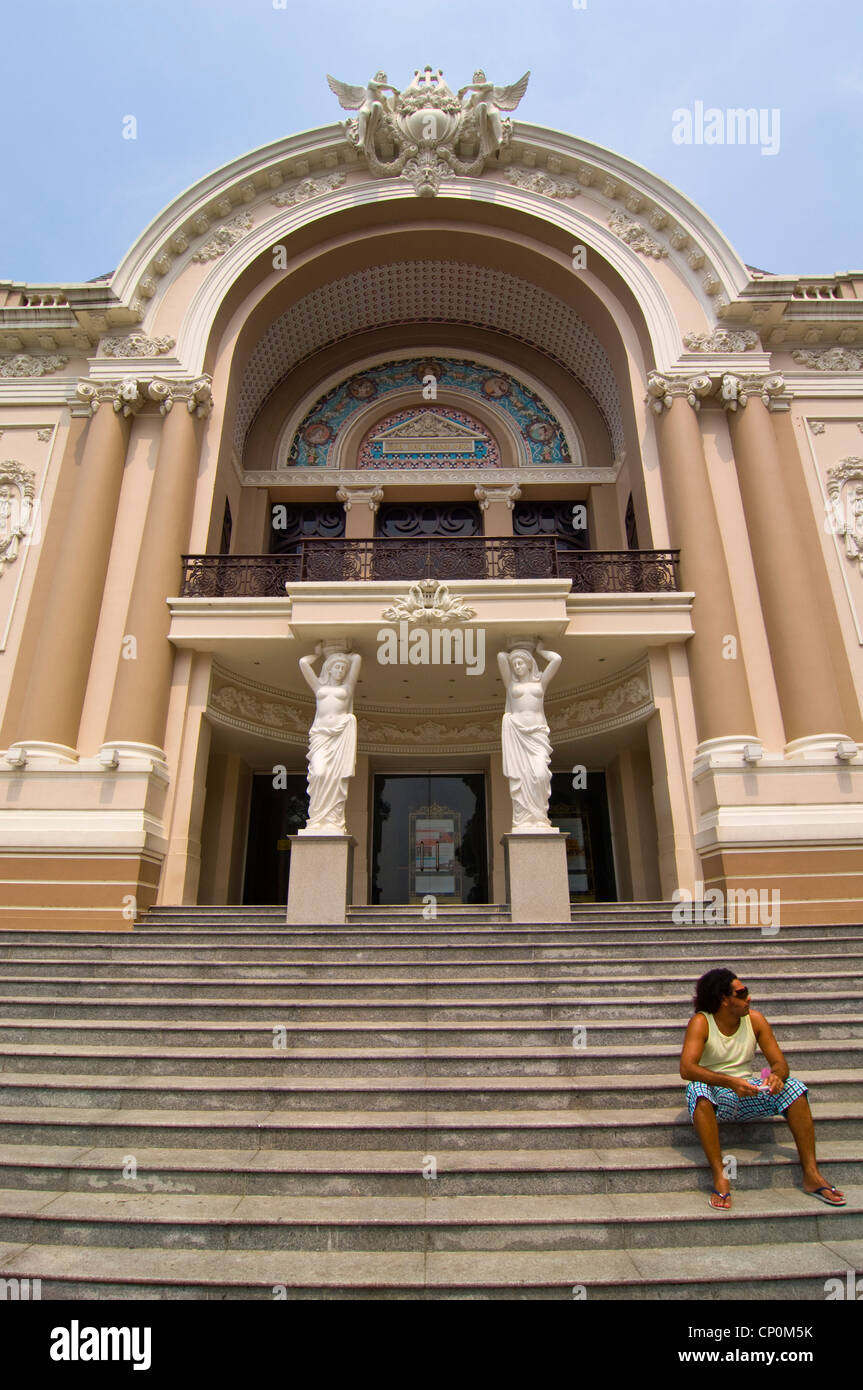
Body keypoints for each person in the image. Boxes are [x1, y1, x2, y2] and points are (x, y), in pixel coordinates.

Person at [680, 967, 846, 1211]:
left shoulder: (755, 1020)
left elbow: (779, 1064)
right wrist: (729, 1082)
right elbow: (687, 1069)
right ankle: (720, 1176)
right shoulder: (702, 1022)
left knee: (794, 1087)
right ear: (723, 1000)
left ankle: (811, 1174)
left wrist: (776, 1077)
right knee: (696, 1090)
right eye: (741, 993)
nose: (748, 997)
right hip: (717, 1092)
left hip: (748, 1090)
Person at [497, 643, 561, 830]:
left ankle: (540, 816)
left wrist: (540, 651)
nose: (517, 667)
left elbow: (557, 659)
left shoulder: (540, 682)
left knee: (540, 774)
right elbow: (501, 656)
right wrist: (513, 653)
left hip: (537, 734)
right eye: (515, 664)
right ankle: (525, 819)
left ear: (529, 664)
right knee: (522, 777)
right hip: (517, 733)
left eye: (520, 663)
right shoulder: (511, 685)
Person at [298, 646, 361, 832]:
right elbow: (303, 663)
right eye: (337, 667)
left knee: (334, 778)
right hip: (320, 735)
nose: (341, 671)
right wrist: (318, 654)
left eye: (343, 668)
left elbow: (357, 659)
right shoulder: (319, 686)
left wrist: (347, 656)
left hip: (339, 734)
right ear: (329, 668)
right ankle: (317, 817)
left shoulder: (347, 688)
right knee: (318, 773)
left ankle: (331, 820)